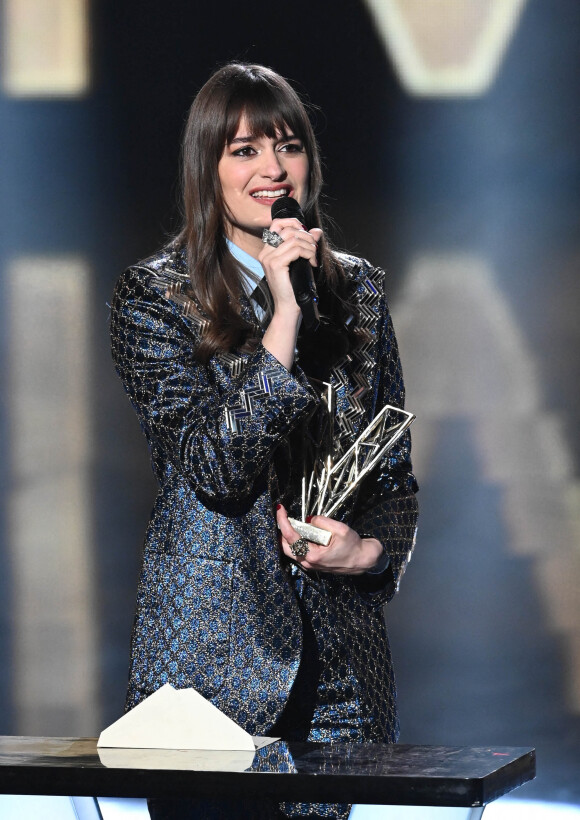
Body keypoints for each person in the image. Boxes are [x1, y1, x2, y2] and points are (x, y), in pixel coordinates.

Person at [110, 62, 418, 820]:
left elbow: (393, 479)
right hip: (210, 677)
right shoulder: (153, 298)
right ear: (206, 167)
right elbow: (217, 467)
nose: (273, 170)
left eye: (289, 146)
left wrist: (369, 552)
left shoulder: (360, 291)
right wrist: (283, 315)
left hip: (341, 679)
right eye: (244, 150)